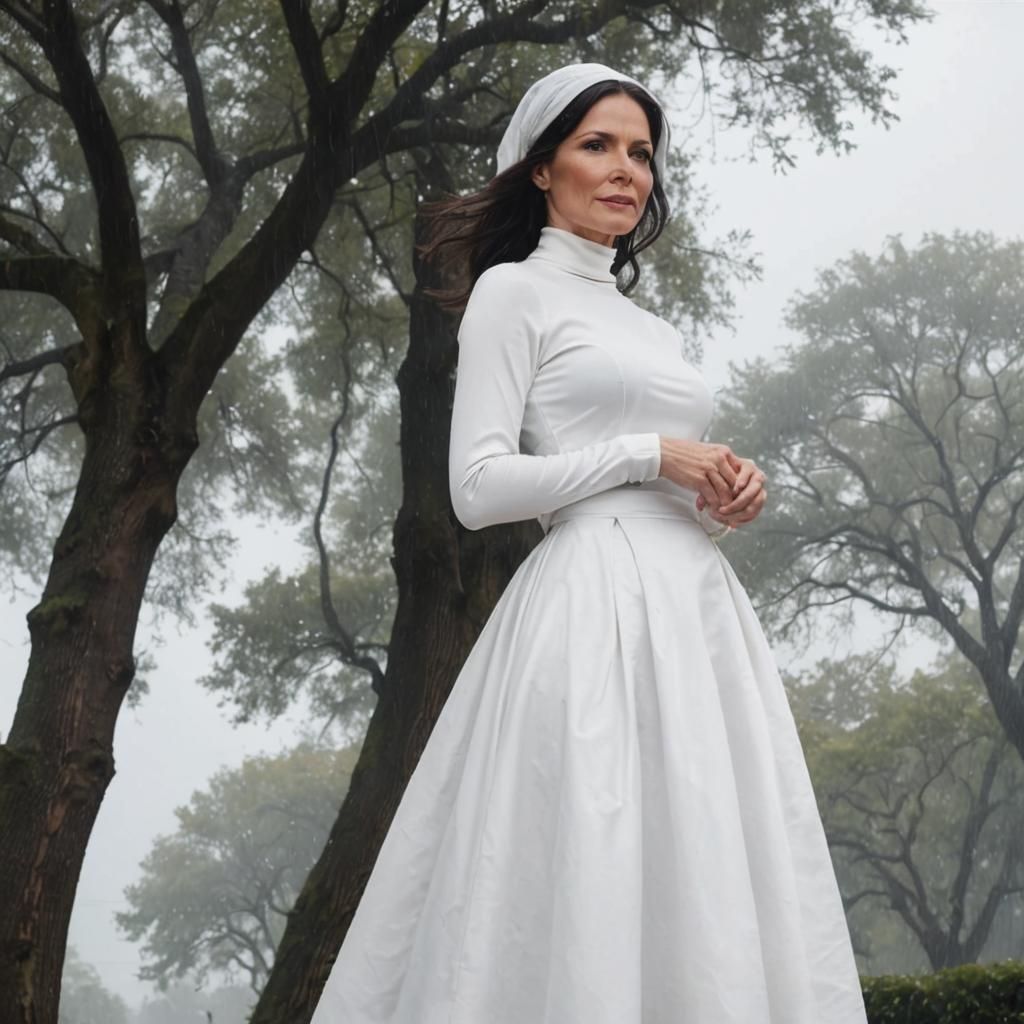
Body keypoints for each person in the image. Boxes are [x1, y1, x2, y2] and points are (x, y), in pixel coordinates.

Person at [310, 62, 869, 1024]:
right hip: (587, 608)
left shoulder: (651, 326)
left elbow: (665, 479)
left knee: (707, 864)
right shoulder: (511, 296)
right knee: (589, 855)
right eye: (597, 145)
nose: (626, 170)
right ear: (540, 168)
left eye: (641, 152)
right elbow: (479, 488)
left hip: (696, 613)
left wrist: (721, 495)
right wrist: (650, 452)